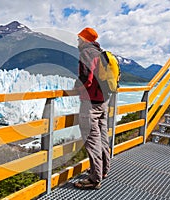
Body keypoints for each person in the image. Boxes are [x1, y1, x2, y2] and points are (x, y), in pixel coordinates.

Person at [74, 27, 110, 190]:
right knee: (102, 136)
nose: (78, 41)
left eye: (79, 38)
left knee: (92, 139)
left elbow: (86, 79)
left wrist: (76, 88)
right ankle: (103, 170)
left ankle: (94, 179)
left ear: (85, 39)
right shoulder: (100, 53)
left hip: (91, 103)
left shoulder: (87, 52)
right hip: (103, 102)